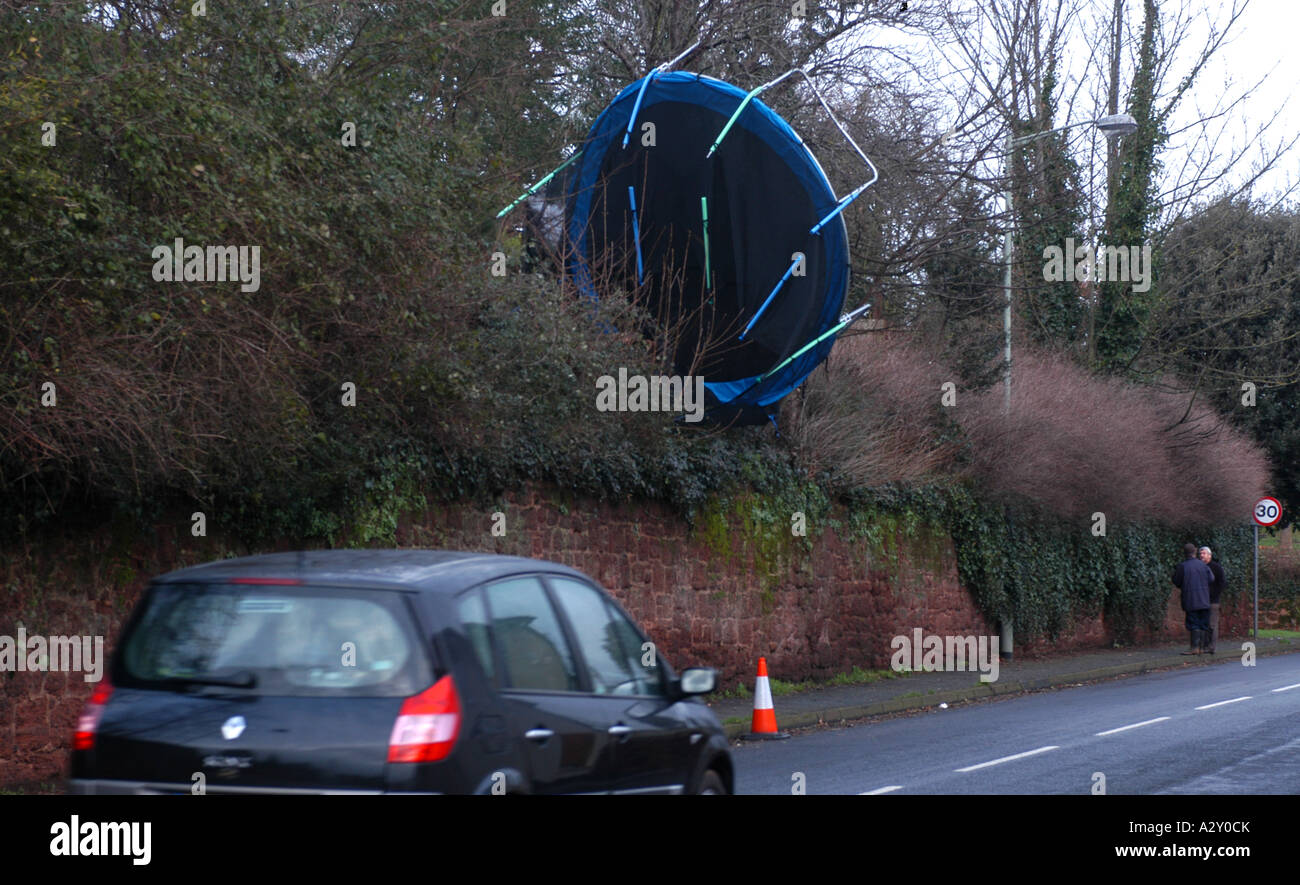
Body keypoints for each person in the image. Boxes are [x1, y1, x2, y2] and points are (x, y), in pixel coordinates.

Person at [1171, 542, 1213, 655]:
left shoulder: (1182, 566)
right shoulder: (1203, 565)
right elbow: (1211, 579)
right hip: (1204, 599)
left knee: (1193, 623)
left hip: (1190, 600)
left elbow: (1176, 581)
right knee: (1203, 623)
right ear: (1195, 552)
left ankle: (1194, 647)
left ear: (1185, 553)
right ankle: (1203, 647)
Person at [1199, 546, 1226, 655]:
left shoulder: (1216, 567)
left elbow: (1222, 583)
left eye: (1204, 553)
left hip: (1213, 601)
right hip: (1201, 600)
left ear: (1210, 555)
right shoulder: (1199, 567)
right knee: (1203, 624)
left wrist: (1214, 594)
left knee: (1212, 625)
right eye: (1200, 553)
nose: (1201, 555)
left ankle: (1211, 647)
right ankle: (1204, 645)